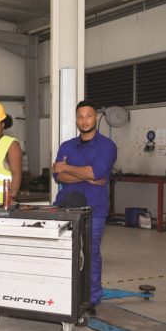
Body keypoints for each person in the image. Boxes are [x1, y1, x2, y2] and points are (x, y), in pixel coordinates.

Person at [53, 100, 117, 315]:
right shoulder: (67, 145)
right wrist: (85, 175)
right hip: (65, 206)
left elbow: (95, 173)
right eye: (80, 116)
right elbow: (57, 174)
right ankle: (64, 293)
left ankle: (91, 299)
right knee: (61, 252)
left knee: (90, 254)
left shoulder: (107, 146)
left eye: (88, 116)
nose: (84, 120)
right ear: (76, 119)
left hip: (94, 209)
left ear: (95, 117)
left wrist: (70, 169)